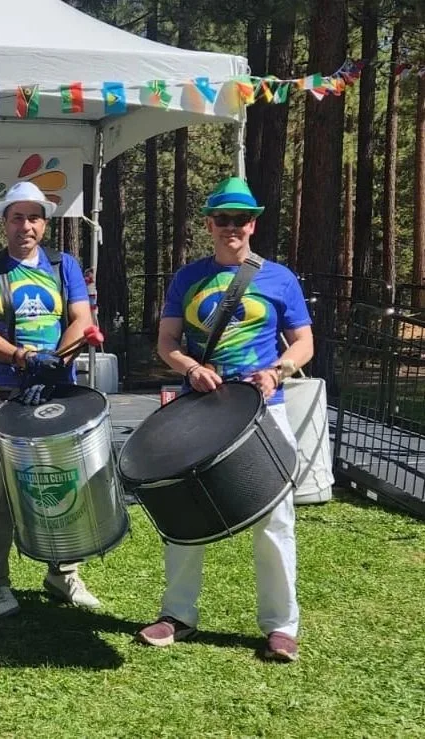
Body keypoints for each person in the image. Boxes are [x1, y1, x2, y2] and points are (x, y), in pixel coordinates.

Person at [136, 177, 313, 662]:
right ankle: (178, 615)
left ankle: (281, 626)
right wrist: (191, 368)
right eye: (222, 219)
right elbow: (167, 343)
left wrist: (279, 371)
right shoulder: (187, 278)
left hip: (262, 410)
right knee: (183, 510)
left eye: (241, 219)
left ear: (252, 224)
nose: (231, 227)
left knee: (274, 518)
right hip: (203, 408)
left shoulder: (278, 278)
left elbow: (303, 342)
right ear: (209, 225)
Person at [0, 181, 102, 619]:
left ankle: (63, 572)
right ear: (4, 222)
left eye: (34, 217)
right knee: (3, 494)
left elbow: (81, 318)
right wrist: (25, 358)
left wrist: (55, 360)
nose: (26, 225)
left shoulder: (65, 266)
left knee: (65, 483)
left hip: (58, 390)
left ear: (45, 223)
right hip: (10, 393)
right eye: (17, 217)